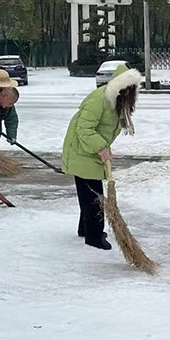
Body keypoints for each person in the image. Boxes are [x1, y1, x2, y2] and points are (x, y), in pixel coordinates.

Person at [61, 65, 142, 249]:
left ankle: (86, 229)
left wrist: (102, 148)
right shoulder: (99, 100)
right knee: (94, 198)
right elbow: (84, 128)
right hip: (81, 151)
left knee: (88, 195)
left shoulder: (114, 101)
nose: (132, 95)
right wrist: (100, 148)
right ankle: (94, 237)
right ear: (121, 88)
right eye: (130, 90)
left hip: (88, 151)